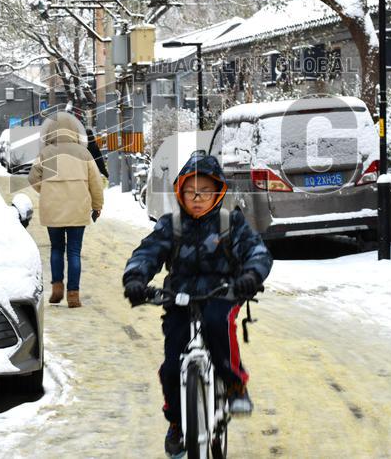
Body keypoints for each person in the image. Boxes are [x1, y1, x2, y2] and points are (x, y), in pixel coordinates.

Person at [122, 152, 272, 457]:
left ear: (218, 192)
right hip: (179, 296)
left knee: (218, 325)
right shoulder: (172, 225)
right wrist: (135, 278)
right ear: (180, 192)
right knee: (170, 364)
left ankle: (234, 386)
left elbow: (257, 251)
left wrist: (251, 275)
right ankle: (177, 421)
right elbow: (147, 252)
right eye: (190, 191)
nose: (197, 197)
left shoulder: (232, 223)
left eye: (205, 190)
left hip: (223, 292)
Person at [29, 112, 105, 308]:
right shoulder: (83, 154)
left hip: (52, 208)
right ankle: (73, 294)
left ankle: (56, 288)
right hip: (78, 209)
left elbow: (33, 178)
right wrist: (97, 206)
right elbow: (96, 183)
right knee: (74, 252)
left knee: (56, 249)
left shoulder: (46, 153)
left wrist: (46, 190)